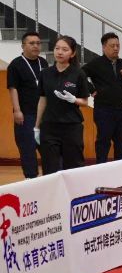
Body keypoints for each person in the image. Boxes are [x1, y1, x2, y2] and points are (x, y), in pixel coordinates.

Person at [34, 35, 90, 174]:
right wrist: (37, 126)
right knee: (50, 167)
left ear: (73, 53)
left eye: (65, 49)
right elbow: (42, 100)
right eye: (57, 48)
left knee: (73, 166)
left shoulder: (78, 74)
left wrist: (74, 100)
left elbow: (85, 102)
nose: (60, 52)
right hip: (49, 126)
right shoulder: (45, 73)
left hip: (71, 126)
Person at [83, 32, 122, 162]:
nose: (116, 48)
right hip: (104, 110)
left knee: (121, 143)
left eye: (118, 45)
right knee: (103, 142)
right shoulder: (96, 63)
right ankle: (101, 169)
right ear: (104, 47)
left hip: (121, 110)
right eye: (112, 46)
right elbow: (80, 74)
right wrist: (91, 90)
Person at [8, 31, 48, 178]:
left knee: (48, 148)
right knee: (28, 148)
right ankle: (31, 178)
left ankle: (50, 177)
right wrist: (17, 110)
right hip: (26, 114)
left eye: (38, 43)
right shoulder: (16, 64)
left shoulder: (43, 62)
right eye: (31, 43)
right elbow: (13, 88)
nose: (36, 46)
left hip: (44, 114)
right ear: (23, 46)